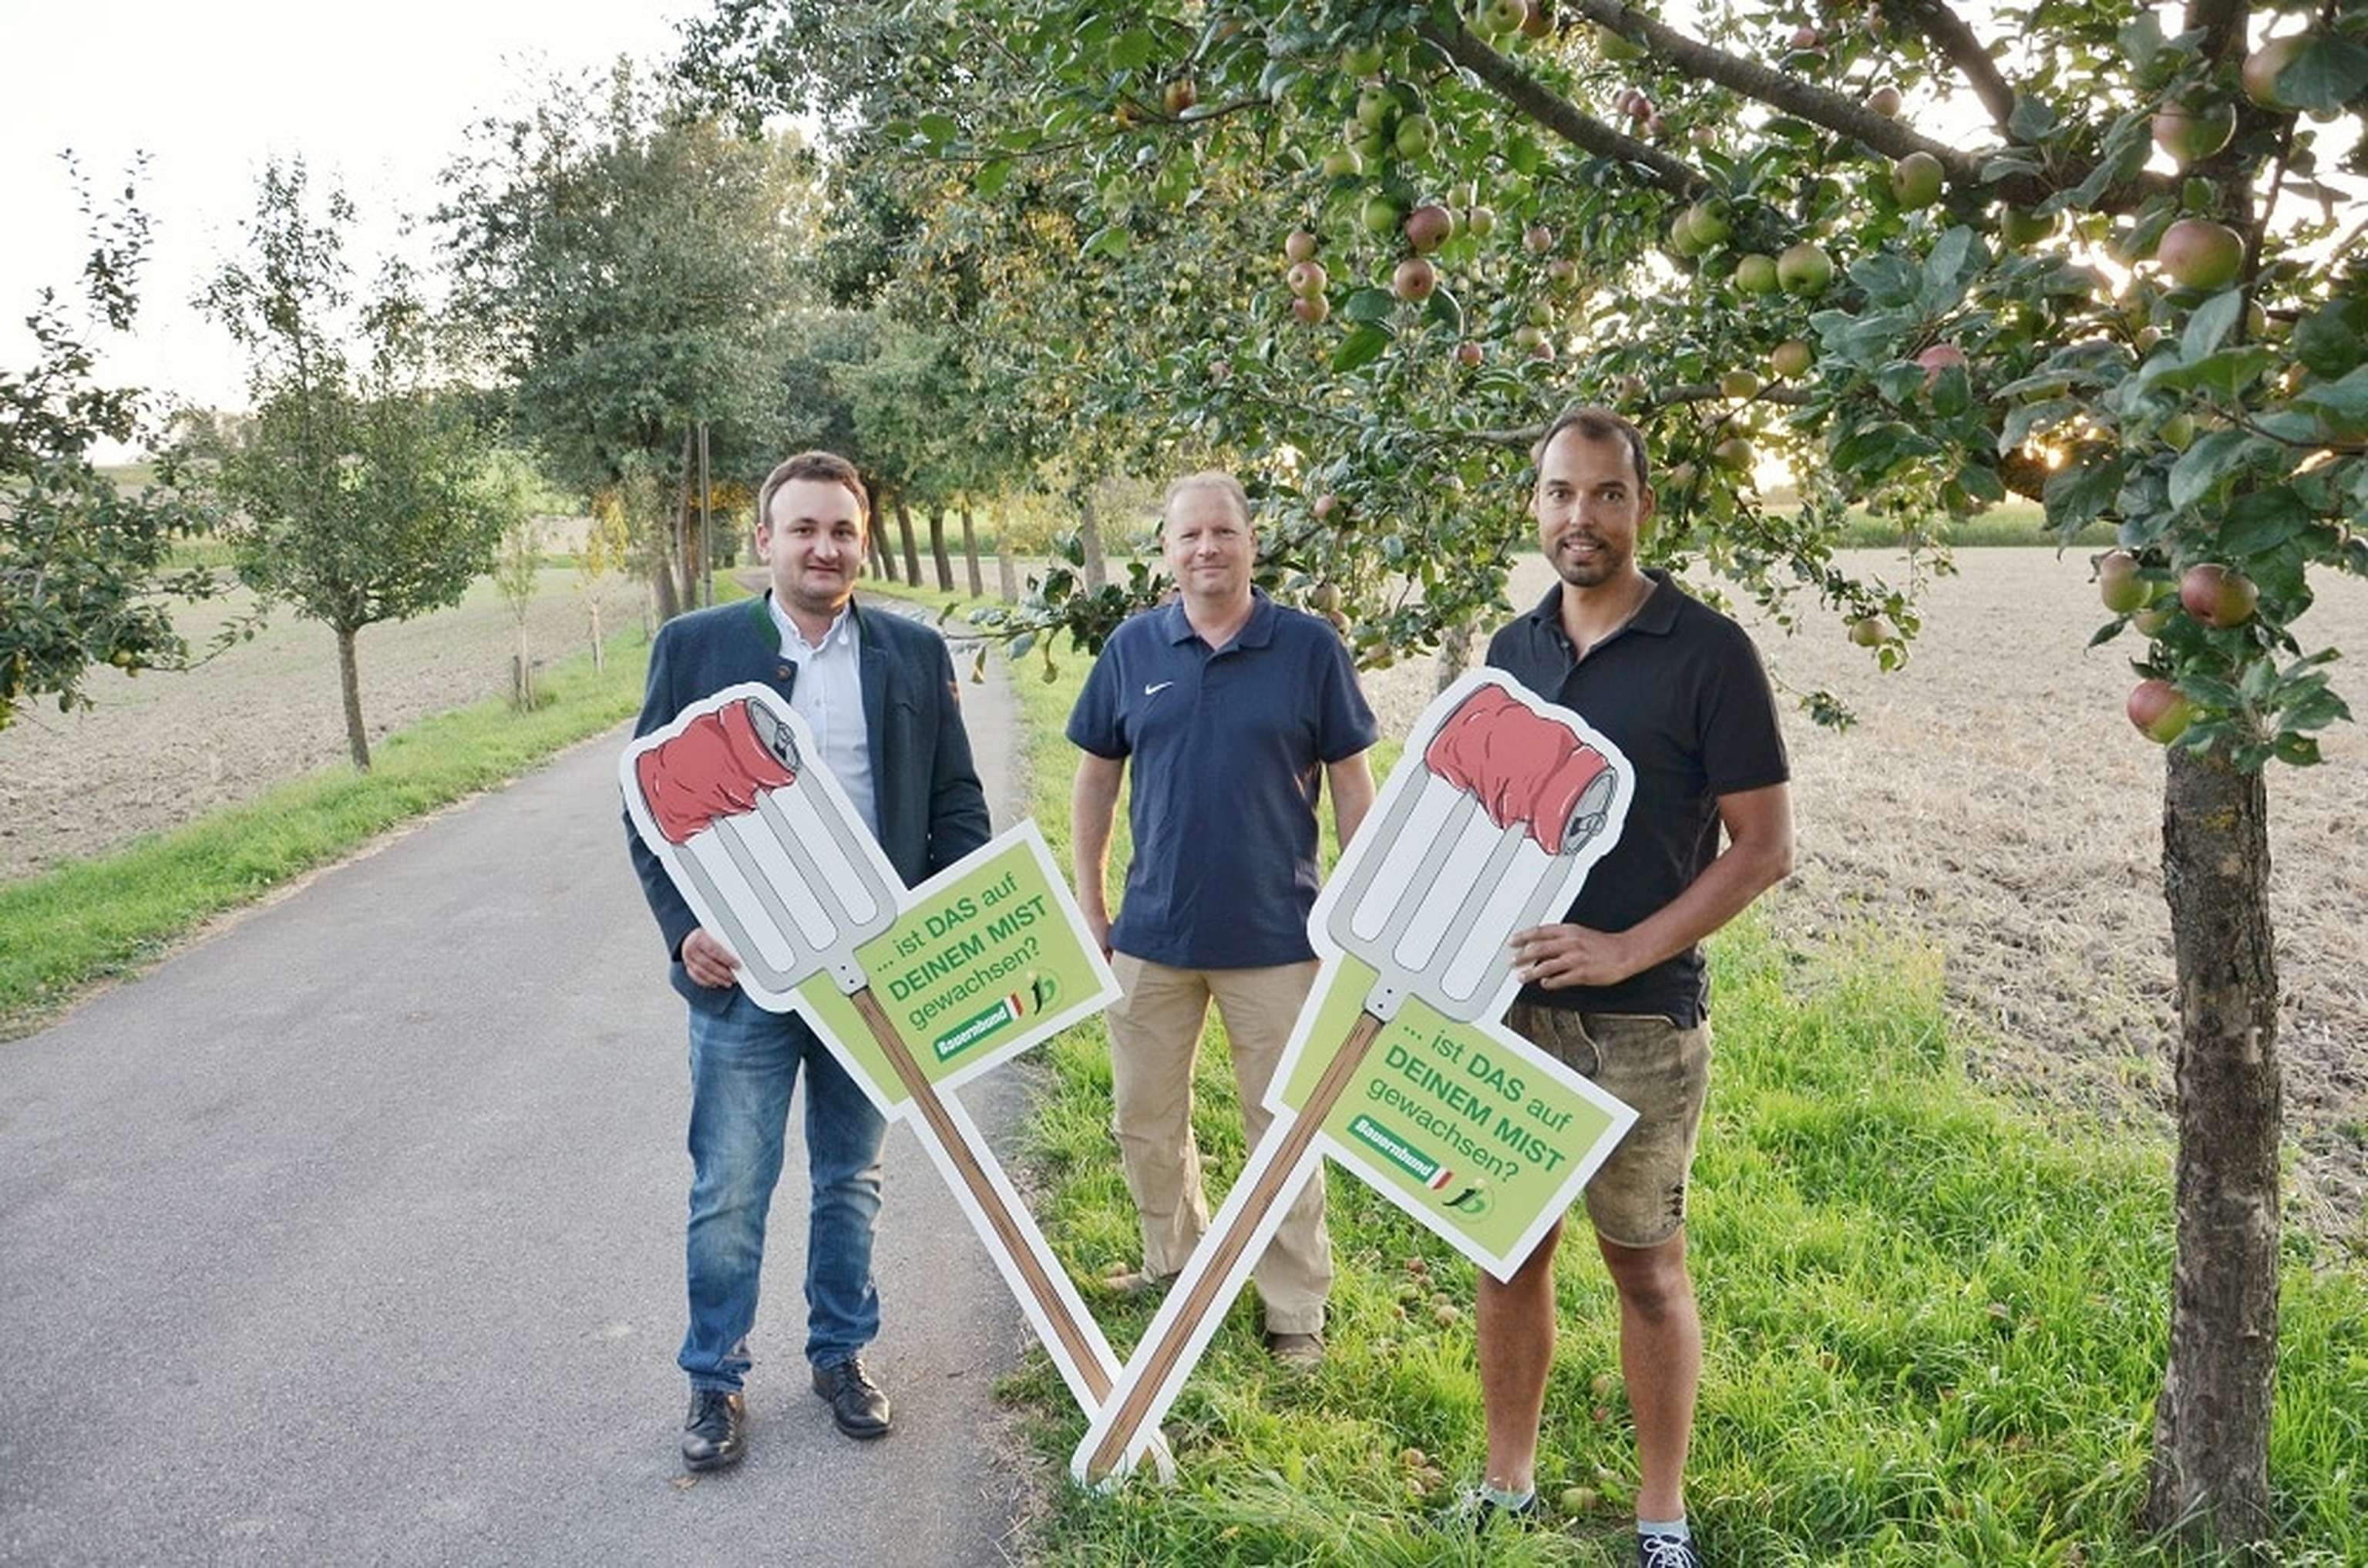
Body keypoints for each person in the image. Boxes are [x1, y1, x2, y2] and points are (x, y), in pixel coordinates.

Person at [1472, 407, 1794, 1567]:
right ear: (1536, 506)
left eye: (1607, 494)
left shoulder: (1710, 653)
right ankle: (1506, 1485)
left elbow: (1764, 848)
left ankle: (1662, 1519)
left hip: (1644, 1025)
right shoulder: (1511, 652)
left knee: (1647, 1271)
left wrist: (1624, 949)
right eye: (1562, 492)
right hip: (1512, 1011)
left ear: (1642, 507)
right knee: (1507, 1254)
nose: (1583, 516)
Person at [625, 449, 990, 1470]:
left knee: (852, 1177)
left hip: (870, 973)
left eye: (841, 531)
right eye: (804, 529)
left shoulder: (914, 652)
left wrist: (934, 935)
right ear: (765, 541)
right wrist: (682, 930)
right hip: (742, 975)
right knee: (730, 1186)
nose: (823, 548)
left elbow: (956, 802)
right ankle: (715, 1376)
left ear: (861, 542)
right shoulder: (694, 646)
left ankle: (841, 1355)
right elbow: (646, 806)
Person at [1067, 472, 1378, 1369]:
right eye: (1189, 535)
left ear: (1252, 543)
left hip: (1278, 937)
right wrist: (1092, 903)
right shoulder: (1132, 648)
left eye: (1223, 532)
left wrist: (1357, 912)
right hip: (1151, 934)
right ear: (1166, 551)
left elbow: (1353, 783)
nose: (1206, 548)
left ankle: (1295, 1310)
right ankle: (1176, 1268)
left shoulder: (1309, 648)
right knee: (1144, 1117)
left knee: (1282, 1129)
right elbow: (1096, 778)